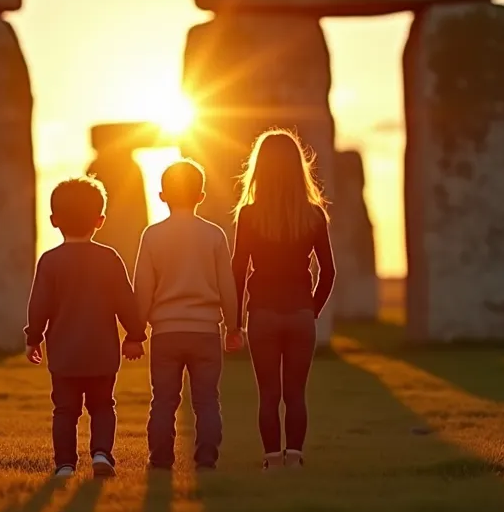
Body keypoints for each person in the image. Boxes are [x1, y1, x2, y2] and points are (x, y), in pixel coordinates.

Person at [25, 176, 147, 479]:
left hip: (65, 353)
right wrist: (134, 335)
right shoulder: (109, 258)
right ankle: (102, 454)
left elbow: (39, 304)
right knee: (103, 406)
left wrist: (33, 338)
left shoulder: (50, 262)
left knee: (65, 410)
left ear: (53, 220)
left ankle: (65, 464)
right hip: (102, 352)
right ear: (100, 219)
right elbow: (125, 301)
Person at [231, 129, 335, 471]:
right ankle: (295, 458)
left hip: (261, 314)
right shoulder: (314, 215)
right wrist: (312, 310)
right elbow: (328, 272)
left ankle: (272, 460)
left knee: (269, 396)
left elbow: (237, 270)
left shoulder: (248, 215)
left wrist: (233, 321)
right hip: (300, 313)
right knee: (295, 395)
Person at [130, 159, 243, 471]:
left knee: (163, 401)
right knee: (207, 400)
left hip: (165, 333)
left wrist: (137, 333)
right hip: (206, 331)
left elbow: (143, 289)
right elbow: (227, 288)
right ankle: (207, 458)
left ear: (162, 195)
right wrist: (233, 327)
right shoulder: (214, 235)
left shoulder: (152, 236)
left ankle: (161, 459)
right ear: (201, 196)